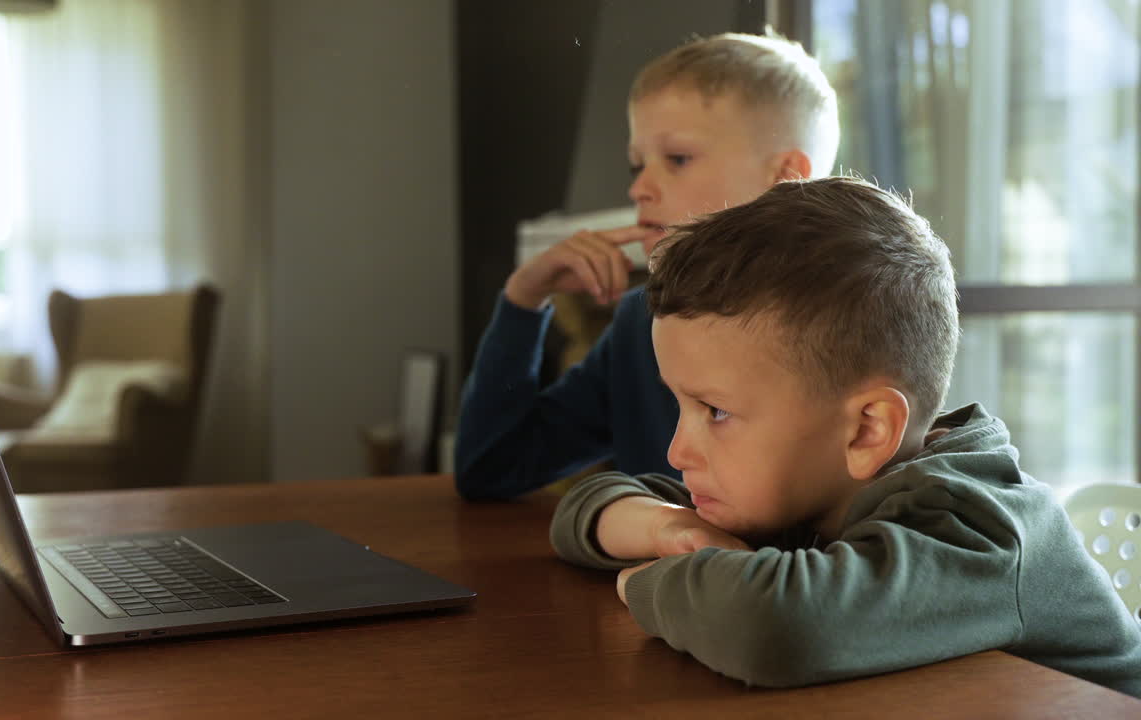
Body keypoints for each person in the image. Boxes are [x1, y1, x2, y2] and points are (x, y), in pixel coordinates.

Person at [548, 176, 1141, 696]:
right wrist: (667, 527)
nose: (678, 450)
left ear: (866, 430)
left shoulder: (980, 532)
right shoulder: (811, 481)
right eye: (680, 406)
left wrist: (650, 581)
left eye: (716, 412)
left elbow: (773, 627)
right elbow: (583, 508)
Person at [454, 31, 840, 500]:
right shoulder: (642, 321)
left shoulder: (840, 325)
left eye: (677, 158)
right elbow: (491, 470)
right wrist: (524, 300)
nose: (640, 189)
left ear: (786, 177)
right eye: (638, 165)